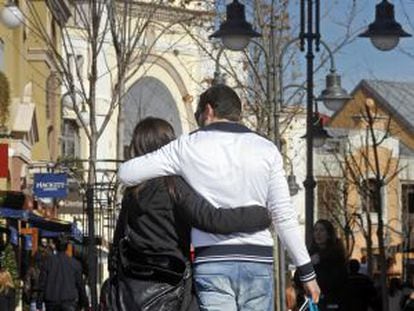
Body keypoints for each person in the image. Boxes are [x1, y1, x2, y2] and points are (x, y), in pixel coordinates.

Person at [118, 84, 320, 311]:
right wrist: (306, 273)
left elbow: (127, 173)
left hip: (212, 259)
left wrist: (172, 175)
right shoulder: (267, 149)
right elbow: (284, 216)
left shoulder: (186, 146)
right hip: (257, 259)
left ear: (208, 110)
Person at [109, 117, 271, 311]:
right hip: (171, 286)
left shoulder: (132, 192)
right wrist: (260, 215)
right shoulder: (173, 186)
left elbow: (117, 243)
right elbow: (212, 219)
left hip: (132, 289)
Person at [296, 219, 347, 311]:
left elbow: (337, 280)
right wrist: (310, 264)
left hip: (331, 303)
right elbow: (298, 277)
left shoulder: (336, 255)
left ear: (328, 234)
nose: (318, 233)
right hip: (312, 303)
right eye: (316, 230)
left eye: (322, 230)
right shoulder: (309, 254)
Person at [37, 235, 89, 311]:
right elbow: (80, 285)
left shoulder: (48, 263)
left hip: (52, 301)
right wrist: (84, 303)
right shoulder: (75, 264)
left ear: (55, 245)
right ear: (67, 246)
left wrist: (39, 303)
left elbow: (42, 284)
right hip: (68, 300)